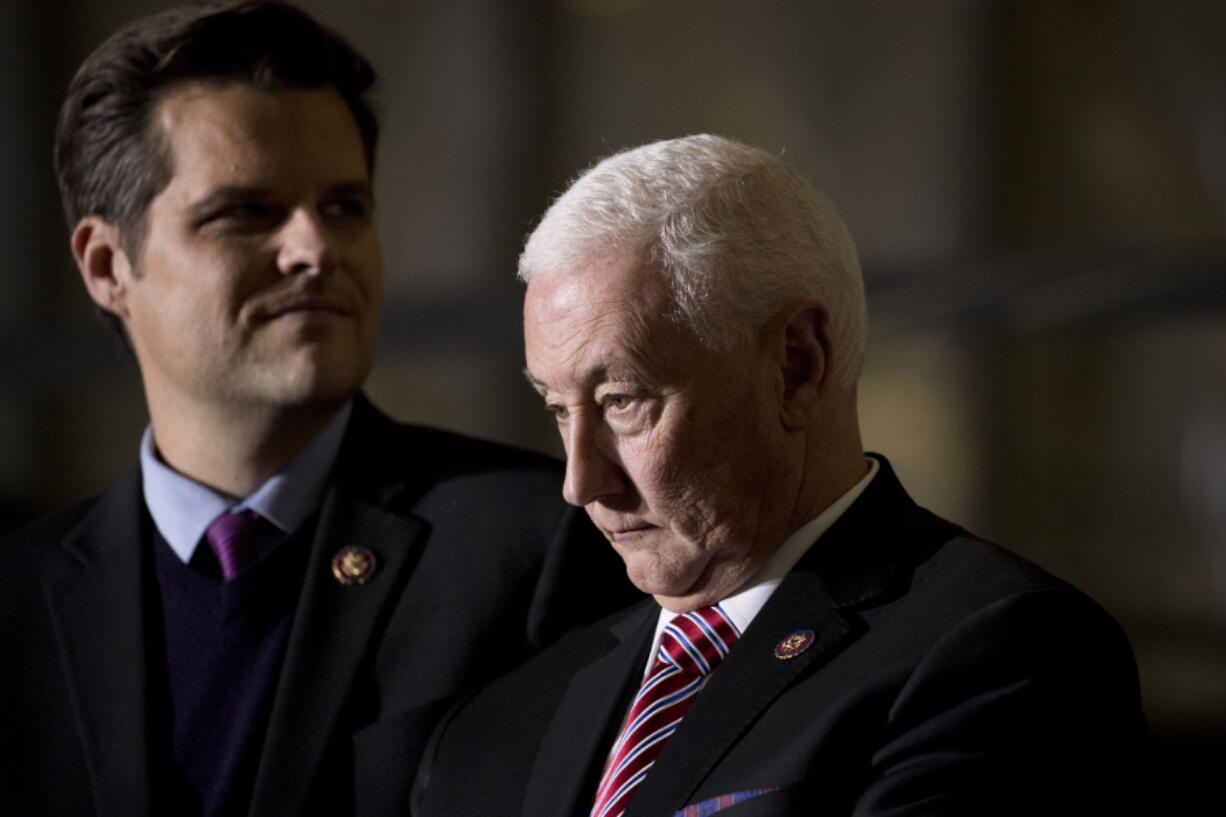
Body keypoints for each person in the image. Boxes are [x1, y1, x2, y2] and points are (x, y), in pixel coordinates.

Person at [0, 3, 632, 816]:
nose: (315, 248)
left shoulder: (539, 548)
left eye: (344, 206)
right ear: (106, 264)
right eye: (247, 212)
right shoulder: (17, 603)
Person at [413, 134, 1148, 817]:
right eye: (556, 408)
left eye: (623, 401)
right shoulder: (504, 719)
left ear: (798, 365)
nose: (580, 481)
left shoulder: (1005, 655)